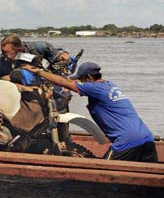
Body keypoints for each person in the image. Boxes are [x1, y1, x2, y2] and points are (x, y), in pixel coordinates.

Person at [23, 62, 158, 163]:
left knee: (103, 174)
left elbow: (68, 84)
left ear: (89, 77)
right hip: (146, 138)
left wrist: (39, 72)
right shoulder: (110, 85)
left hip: (126, 141)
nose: (81, 82)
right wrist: (53, 75)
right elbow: (68, 81)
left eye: (81, 79)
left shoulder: (95, 88)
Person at [0, 34, 71, 80]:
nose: (5, 56)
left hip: (47, 82)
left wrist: (62, 55)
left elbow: (57, 53)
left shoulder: (39, 47)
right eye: (2, 52)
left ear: (20, 49)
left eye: (7, 53)